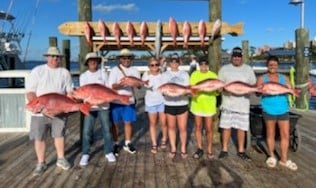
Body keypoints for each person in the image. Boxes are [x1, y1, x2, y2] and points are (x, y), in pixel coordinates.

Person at [25, 46, 73, 176]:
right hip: (40, 113)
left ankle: (61, 159)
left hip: (59, 110)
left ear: (60, 58)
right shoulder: (37, 71)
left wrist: (67, 107)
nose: (55, 58)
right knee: (39, 137)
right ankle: (41, 162)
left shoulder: (65, 72)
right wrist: (41, 108)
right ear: (47, 57)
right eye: (52, 56)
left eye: (57, 56)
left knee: (59, 135)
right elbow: (30, 92)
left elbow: (70, 93)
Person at [257, 55, 298, 171]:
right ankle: (271, 156)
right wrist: (261, 92)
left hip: (283, 109)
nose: (273, 67)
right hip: (268, 109)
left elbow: (290, 90)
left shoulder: (284, 78)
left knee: (285, 134)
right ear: (267, 66)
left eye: (275, 64)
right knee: (270, 133)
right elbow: (257, 93)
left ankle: (284, 159)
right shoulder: (262, 79)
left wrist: (291, 91)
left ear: (278, 65)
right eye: (270, 65)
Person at [218, 47, 256, 161]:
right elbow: (220, 86)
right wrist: (223, 89)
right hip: (228, 103)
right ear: (231, 57)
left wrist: (250, 90)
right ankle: (224, 150)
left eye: (238, 56)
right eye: (234, 56)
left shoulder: (248, 69)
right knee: (226, 127)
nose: (236, 58)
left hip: (243, 104)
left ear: (242, 57)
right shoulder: (224, 69)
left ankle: (241, 151)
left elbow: (253, 85)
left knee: (242, 128)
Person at [78, 52, 116, 166]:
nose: (93, 62)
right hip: (89, 107)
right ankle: (86, 153)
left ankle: (109, 151)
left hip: (103, 106)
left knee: (107, 129)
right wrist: (91, 101)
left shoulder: (104, 74)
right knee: (86, 131)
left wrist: (104, 99)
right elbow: (83, 94)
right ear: (87, 63)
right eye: (90, 60)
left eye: (95, 60)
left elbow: (108, 89)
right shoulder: (83, 76)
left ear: (98, 62)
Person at [108, 48, 140, 155]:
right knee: (115, 124)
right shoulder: (114, 70)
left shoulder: (135, 70)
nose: (126, 59)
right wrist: (122, 84)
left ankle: (127, 143)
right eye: (124, 58)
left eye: (128, 58)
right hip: (116, 101)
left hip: (129, 101)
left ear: (131, 59)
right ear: (120, 59)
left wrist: (135, 84)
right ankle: (116, 143)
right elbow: (112, 86)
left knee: (128, 122)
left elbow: (139, 86)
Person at [162, 53, 190, 159]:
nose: (174, 63)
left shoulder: (185, 74)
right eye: (172, 61)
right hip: (169, 104)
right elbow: (163, 91)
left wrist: (185, 92)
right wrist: (165, 92)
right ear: (169, 63)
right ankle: (173, 148)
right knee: (171, 127)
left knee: (183, 128)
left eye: (176, 61)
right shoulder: (165, 75)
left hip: (182, 103)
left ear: (179, 62)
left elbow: (187, 90)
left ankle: (183, 147)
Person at [190, 58, 218, 160]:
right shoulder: (194, 75)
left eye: (205, 64)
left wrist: (218, 90)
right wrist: (198, 89)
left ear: (208, 65)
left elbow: (217, 92)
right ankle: (199, 148)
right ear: (199, 65)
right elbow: (192, 89)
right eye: (201, 64)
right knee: (198, 127)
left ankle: (210, 149)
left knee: (209, 128)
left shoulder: (213, 75)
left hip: (209, 105)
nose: (203, 66)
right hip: (197, 104)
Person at [142, 58, 168, 154]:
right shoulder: (145, 75)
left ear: (159, 65)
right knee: (153, 123)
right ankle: (154, 143)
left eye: (156, 64)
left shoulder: (163, 75)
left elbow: (166, 86)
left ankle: (164, 138)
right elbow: (146, 86)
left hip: (162, 101)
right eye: (152, 65)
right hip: (150, 102)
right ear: (149, 66)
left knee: (164, 122)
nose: (154, 67)